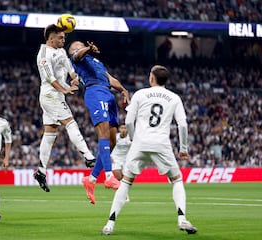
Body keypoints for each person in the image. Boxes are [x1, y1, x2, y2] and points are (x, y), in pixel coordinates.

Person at [101, 65, 197, 235]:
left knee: (126, 182)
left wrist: (133, 139)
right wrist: (183, 148)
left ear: (151, 79)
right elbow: (182, 124)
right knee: (176, 179)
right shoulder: (174, 98)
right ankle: (182, 218)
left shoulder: (140, 94)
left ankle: (110, 224)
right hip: (161, 144)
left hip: (140, 143)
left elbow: (129, 122)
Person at [35, 24, 96, 192]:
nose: (64, 40)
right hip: (50, 95)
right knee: (71, 123)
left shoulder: (61, 52)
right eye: (61, 37)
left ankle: (41, 170)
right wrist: (65, 89)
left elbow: (70, 70)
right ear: (51, 38)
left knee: (50, 134)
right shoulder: (43, 54)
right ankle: (88, 157)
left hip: (56, 96)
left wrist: (74, 79)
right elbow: (49, 77)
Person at [68, 41, 130, 204]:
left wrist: (123, 90)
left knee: (112, 141)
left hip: (108, 94)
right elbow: (78, 54)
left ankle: (92, 179)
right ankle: (109, 176)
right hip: (95, 91)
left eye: (82, 45)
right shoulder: (75, 58)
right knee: (102, 131)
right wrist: (87, 48)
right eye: (78, 45)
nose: (80, 47)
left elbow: (110, 78)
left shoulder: (96, 62)